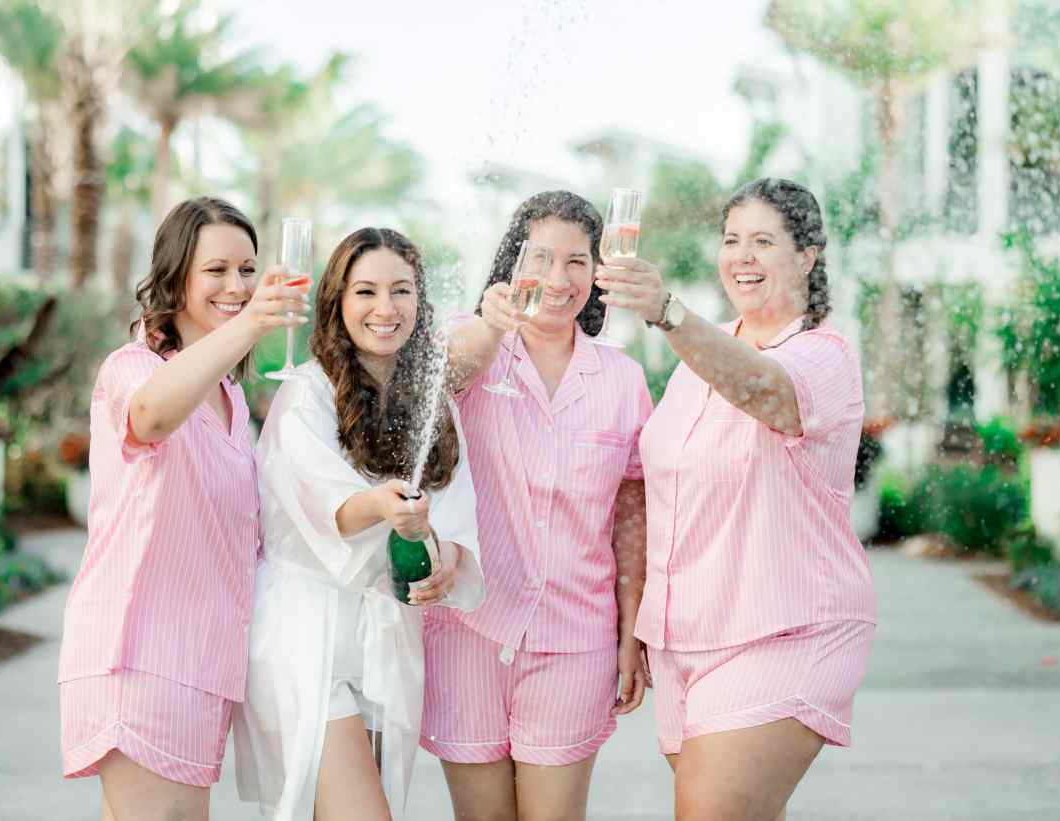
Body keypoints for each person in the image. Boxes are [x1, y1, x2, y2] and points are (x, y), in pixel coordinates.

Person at [596, 177, 876, 821]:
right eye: (731, 240)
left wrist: (667, 311)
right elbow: (654, 491)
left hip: (785, 628)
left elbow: (764, 390)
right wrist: (636, 620)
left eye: (763, 242)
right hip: (684, 641)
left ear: (806, 256)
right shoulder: (696, 359)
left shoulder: (824, 354)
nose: (742, 257)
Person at [58, 196, 309, 821]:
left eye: (247, 269)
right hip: (142, 653)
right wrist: (250, 326)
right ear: (175, 277)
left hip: (204, 664)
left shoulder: (231, 396)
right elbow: (150, 416)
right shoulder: (132, 368)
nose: (238, 286)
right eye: (216, 270)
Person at [233, 227, 484, 821]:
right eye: (365, 291)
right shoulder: (307, 393)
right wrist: (383, 505)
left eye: (401, 290)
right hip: (306, 627)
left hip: (384, 633)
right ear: (337, 301)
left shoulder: (431, 402)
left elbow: (454, 519)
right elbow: (326, 507)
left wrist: (445, 562)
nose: (385, 308)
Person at [423, 190, 652, 820]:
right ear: (512, 263)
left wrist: (631, 629)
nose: (558, 278)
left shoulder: (622, 380)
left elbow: (630, 513)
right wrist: (492, 326)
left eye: (577, 261)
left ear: (597, 273)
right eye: (541, 258)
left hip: (574, 636)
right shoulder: (469, 341)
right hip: (469, 628)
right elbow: (438, 385)